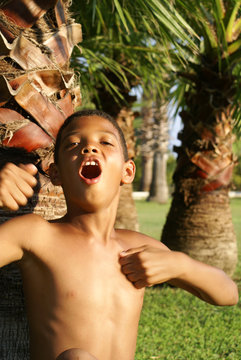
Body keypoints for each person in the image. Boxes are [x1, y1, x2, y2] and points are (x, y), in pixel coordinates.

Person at [0, 109, 238, 360]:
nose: (89, 149)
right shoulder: (37, 235)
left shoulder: (138, 247)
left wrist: (180, 265)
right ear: (56, 173)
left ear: (127, 172)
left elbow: (227, 294)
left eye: (105, 142)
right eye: (73, 144)